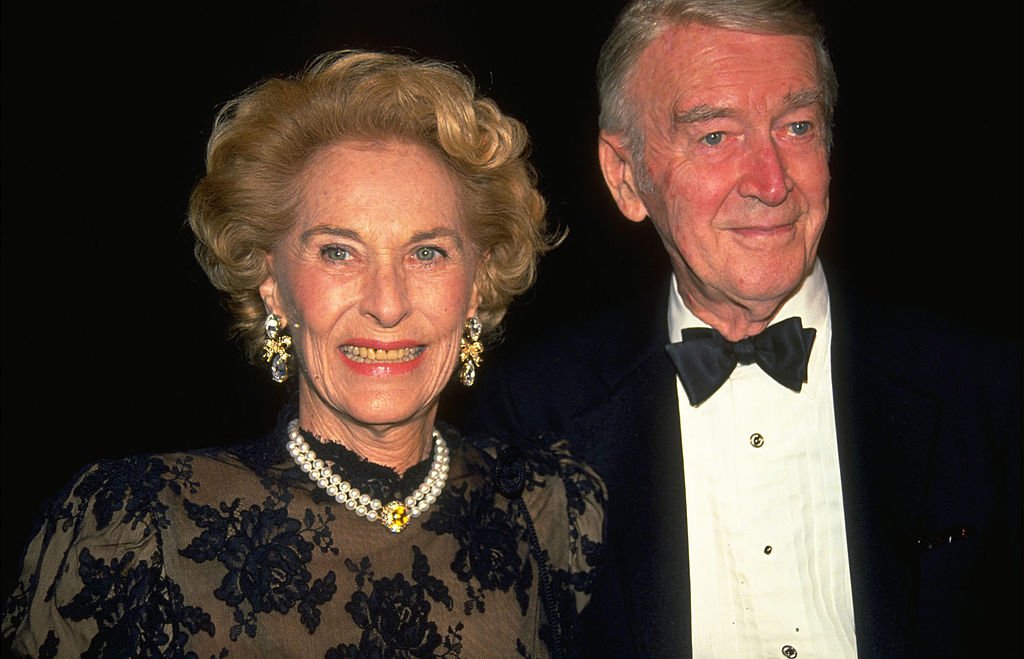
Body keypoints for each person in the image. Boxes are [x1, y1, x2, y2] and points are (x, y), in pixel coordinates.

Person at [1, 50, 606, 658]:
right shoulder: (137, 531)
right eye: (339, 252)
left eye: (427, 253)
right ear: (272, 282)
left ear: (477, 282)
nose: (387, 304)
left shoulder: (553, 510)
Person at [462, 1, 1023, 657]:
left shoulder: (985, 395)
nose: (771, 181)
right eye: (715, 136)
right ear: (625, 175)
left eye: (796, 126)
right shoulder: (533, 415)